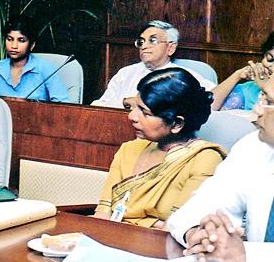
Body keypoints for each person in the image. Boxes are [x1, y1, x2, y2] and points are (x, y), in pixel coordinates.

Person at [93, 68, 225, 228]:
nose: (132, 116)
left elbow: (178, 229)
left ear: (177, 124)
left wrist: (133, 222)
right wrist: (153, 222)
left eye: (145, 112)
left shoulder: (204, 159)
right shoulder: (129, 149)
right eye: (135, 107)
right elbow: (102, 213)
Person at [167, 83, 274, 262]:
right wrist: (200, 233)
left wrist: (248, 257)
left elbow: (245, 256)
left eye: (268, 101)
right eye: (261, 97)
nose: (256, 110)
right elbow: (197, 209)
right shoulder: (254, 146)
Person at [91, 20, 216, 108]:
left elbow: (212, 97)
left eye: (153, 40)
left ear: (170, 48)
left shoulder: (183, 75)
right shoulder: (126, 73)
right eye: (141, 41)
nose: (144, 46)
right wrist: (126, 102)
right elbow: (99, 106)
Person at [0, 21, 70, 102]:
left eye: (21, 40)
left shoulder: (44, 68)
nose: (14, 45)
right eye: (9, 39)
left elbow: (63, 106)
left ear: (32, 45)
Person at [211, 31, 274, 110]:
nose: (271, 66)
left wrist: (266, 88)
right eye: (269, 58)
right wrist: (238, 75)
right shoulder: (248, 90)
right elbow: (205, 108)